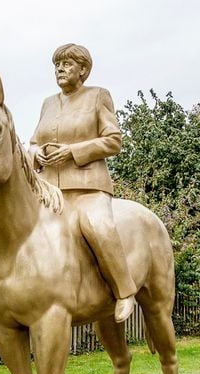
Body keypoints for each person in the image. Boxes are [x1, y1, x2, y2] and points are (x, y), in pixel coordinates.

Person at [29, 43, 136, 323]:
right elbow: (32, 143)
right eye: (57, 65)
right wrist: (35, 154)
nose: (60, 69)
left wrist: (73, 152)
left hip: (88, 188)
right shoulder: (47, 104)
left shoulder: (98, 96)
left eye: (67, 64)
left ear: (83, 70)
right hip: (50, 191)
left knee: (98, 226)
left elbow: (114, 141)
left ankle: (125, 291)